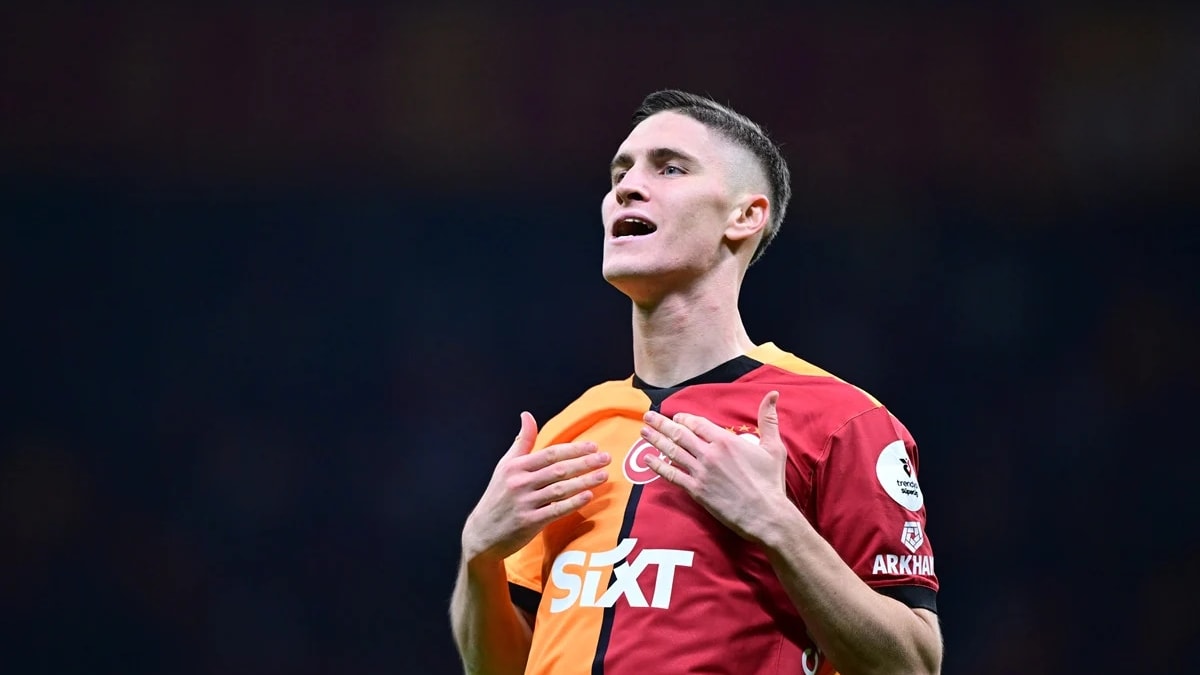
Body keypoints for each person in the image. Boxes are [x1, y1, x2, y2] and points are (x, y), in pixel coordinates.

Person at [449, 90, 942, 675]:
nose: (627, 188)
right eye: (620, 173)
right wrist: (478, 555)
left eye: (670, 168)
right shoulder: (572, 430)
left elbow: (913, 664)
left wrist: (775, 522)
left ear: (745, 216)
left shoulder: (841, 421)